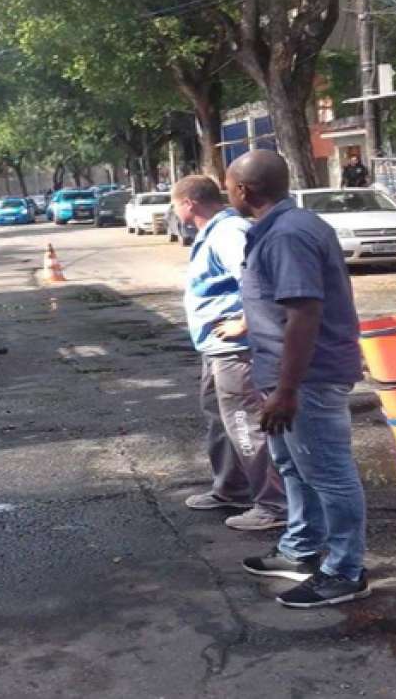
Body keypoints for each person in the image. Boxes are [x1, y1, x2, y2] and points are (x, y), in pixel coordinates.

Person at [223, 149, 369, 609]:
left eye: (229, 185)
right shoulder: (280, 229)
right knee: (291, 465)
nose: (227, 192)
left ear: (245, 190)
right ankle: (301, 549)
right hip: (284, 376)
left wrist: (287, 391)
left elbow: (304, 313)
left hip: (308, 379)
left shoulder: (287, 235)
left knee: (328, 473)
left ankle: (346, 570)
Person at [172, 175, 286, 532]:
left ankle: (274, 504)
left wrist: (244, 322)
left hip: (236, 350)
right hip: (215, 347)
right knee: (220, 418)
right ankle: (231, 488)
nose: (174, 212)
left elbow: (256, 278)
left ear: (189, 204)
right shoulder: (215, 233)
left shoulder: (227, 232)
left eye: (175, 204)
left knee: (245, 423)